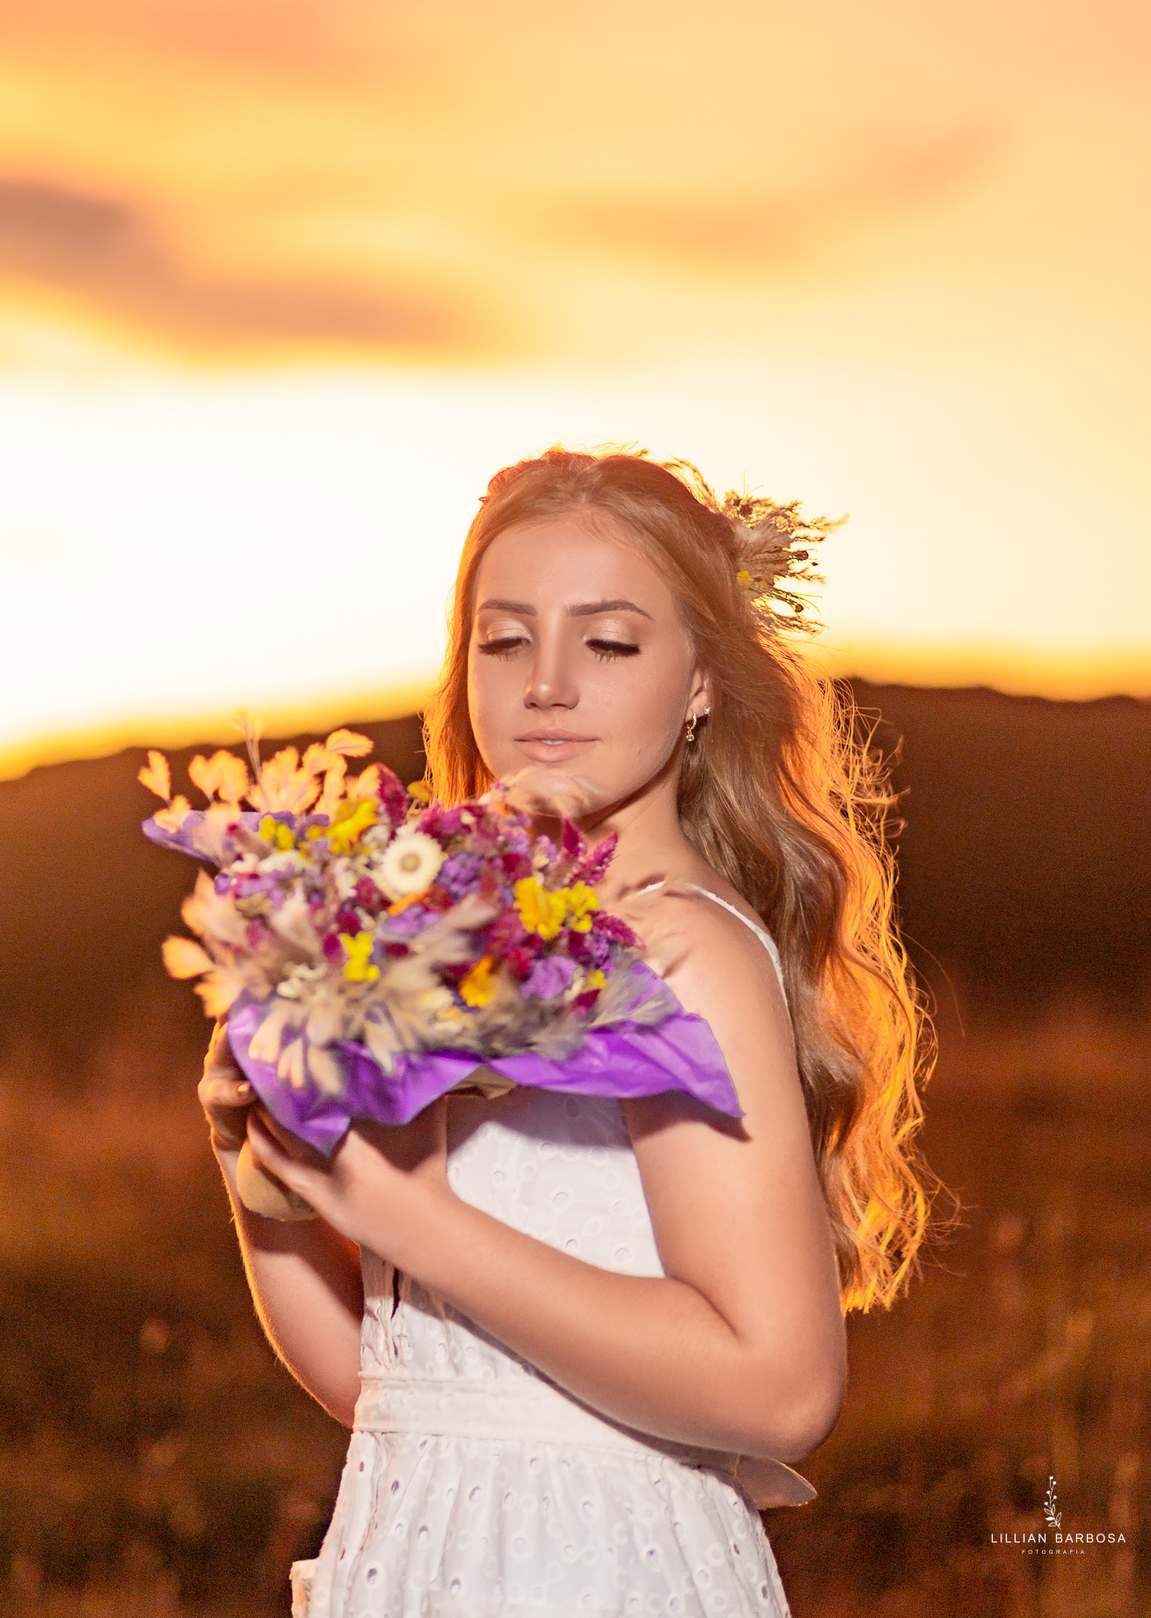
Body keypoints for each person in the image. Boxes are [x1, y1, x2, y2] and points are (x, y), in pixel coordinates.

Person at [198, 446, 942, 1616]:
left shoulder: (685, 957)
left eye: (608, 641)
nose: (546, 684)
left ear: (701, 679)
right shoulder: (443, 951)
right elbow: (390, 1385)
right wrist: (262, 1178)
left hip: (603, 1571)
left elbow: (783, 1386)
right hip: (417, 1559)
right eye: (505, 639)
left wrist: (408, 1217)